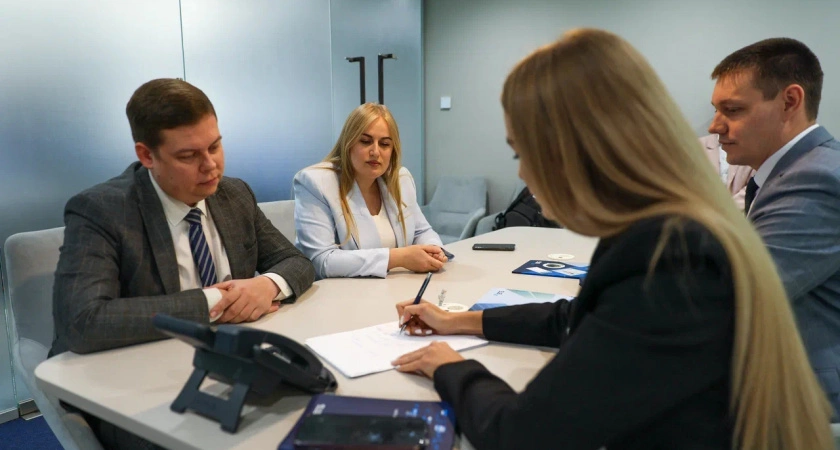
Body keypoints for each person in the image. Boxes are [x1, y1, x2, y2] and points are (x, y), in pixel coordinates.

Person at [390, 29, 833, 449]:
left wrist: (452, 367)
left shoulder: (666, 257)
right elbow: (580, 320)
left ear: (578, 149)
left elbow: (523, 435)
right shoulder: (662, 229)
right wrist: (461, 320)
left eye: (522, 152)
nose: (523, 172)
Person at [51, 79, 315, 448]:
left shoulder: (234, 194)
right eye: (188, 156)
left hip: (225, 368)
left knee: (304, 415)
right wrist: (216, 302)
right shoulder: (102, 210)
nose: (211, 166)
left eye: (215, 146)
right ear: (147, 155)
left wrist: (266, 285)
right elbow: (83, 322)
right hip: (130, 386)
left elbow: (295, 261)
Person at [708, 38, 840, 416]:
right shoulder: (788, 172)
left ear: (790, 101)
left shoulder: (816, 178)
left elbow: (736, 293)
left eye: (733, 110)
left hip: (806, 401)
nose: (715, 126)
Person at [293, 103, 446, 279]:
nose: (375, 152)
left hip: (393, 287)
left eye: (385, 144)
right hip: (338, 292)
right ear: (348, 143)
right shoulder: (315, 182)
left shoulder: (400, 179)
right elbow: (322, 261)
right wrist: (398, 258)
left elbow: (421, 232)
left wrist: (434, 250)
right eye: (365, 142)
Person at [699, 133, 754, 209]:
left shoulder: (753, 146)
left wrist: (727, 209)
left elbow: (754, 185)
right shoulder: (698, 145)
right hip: (704, 211)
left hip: (742, 211)